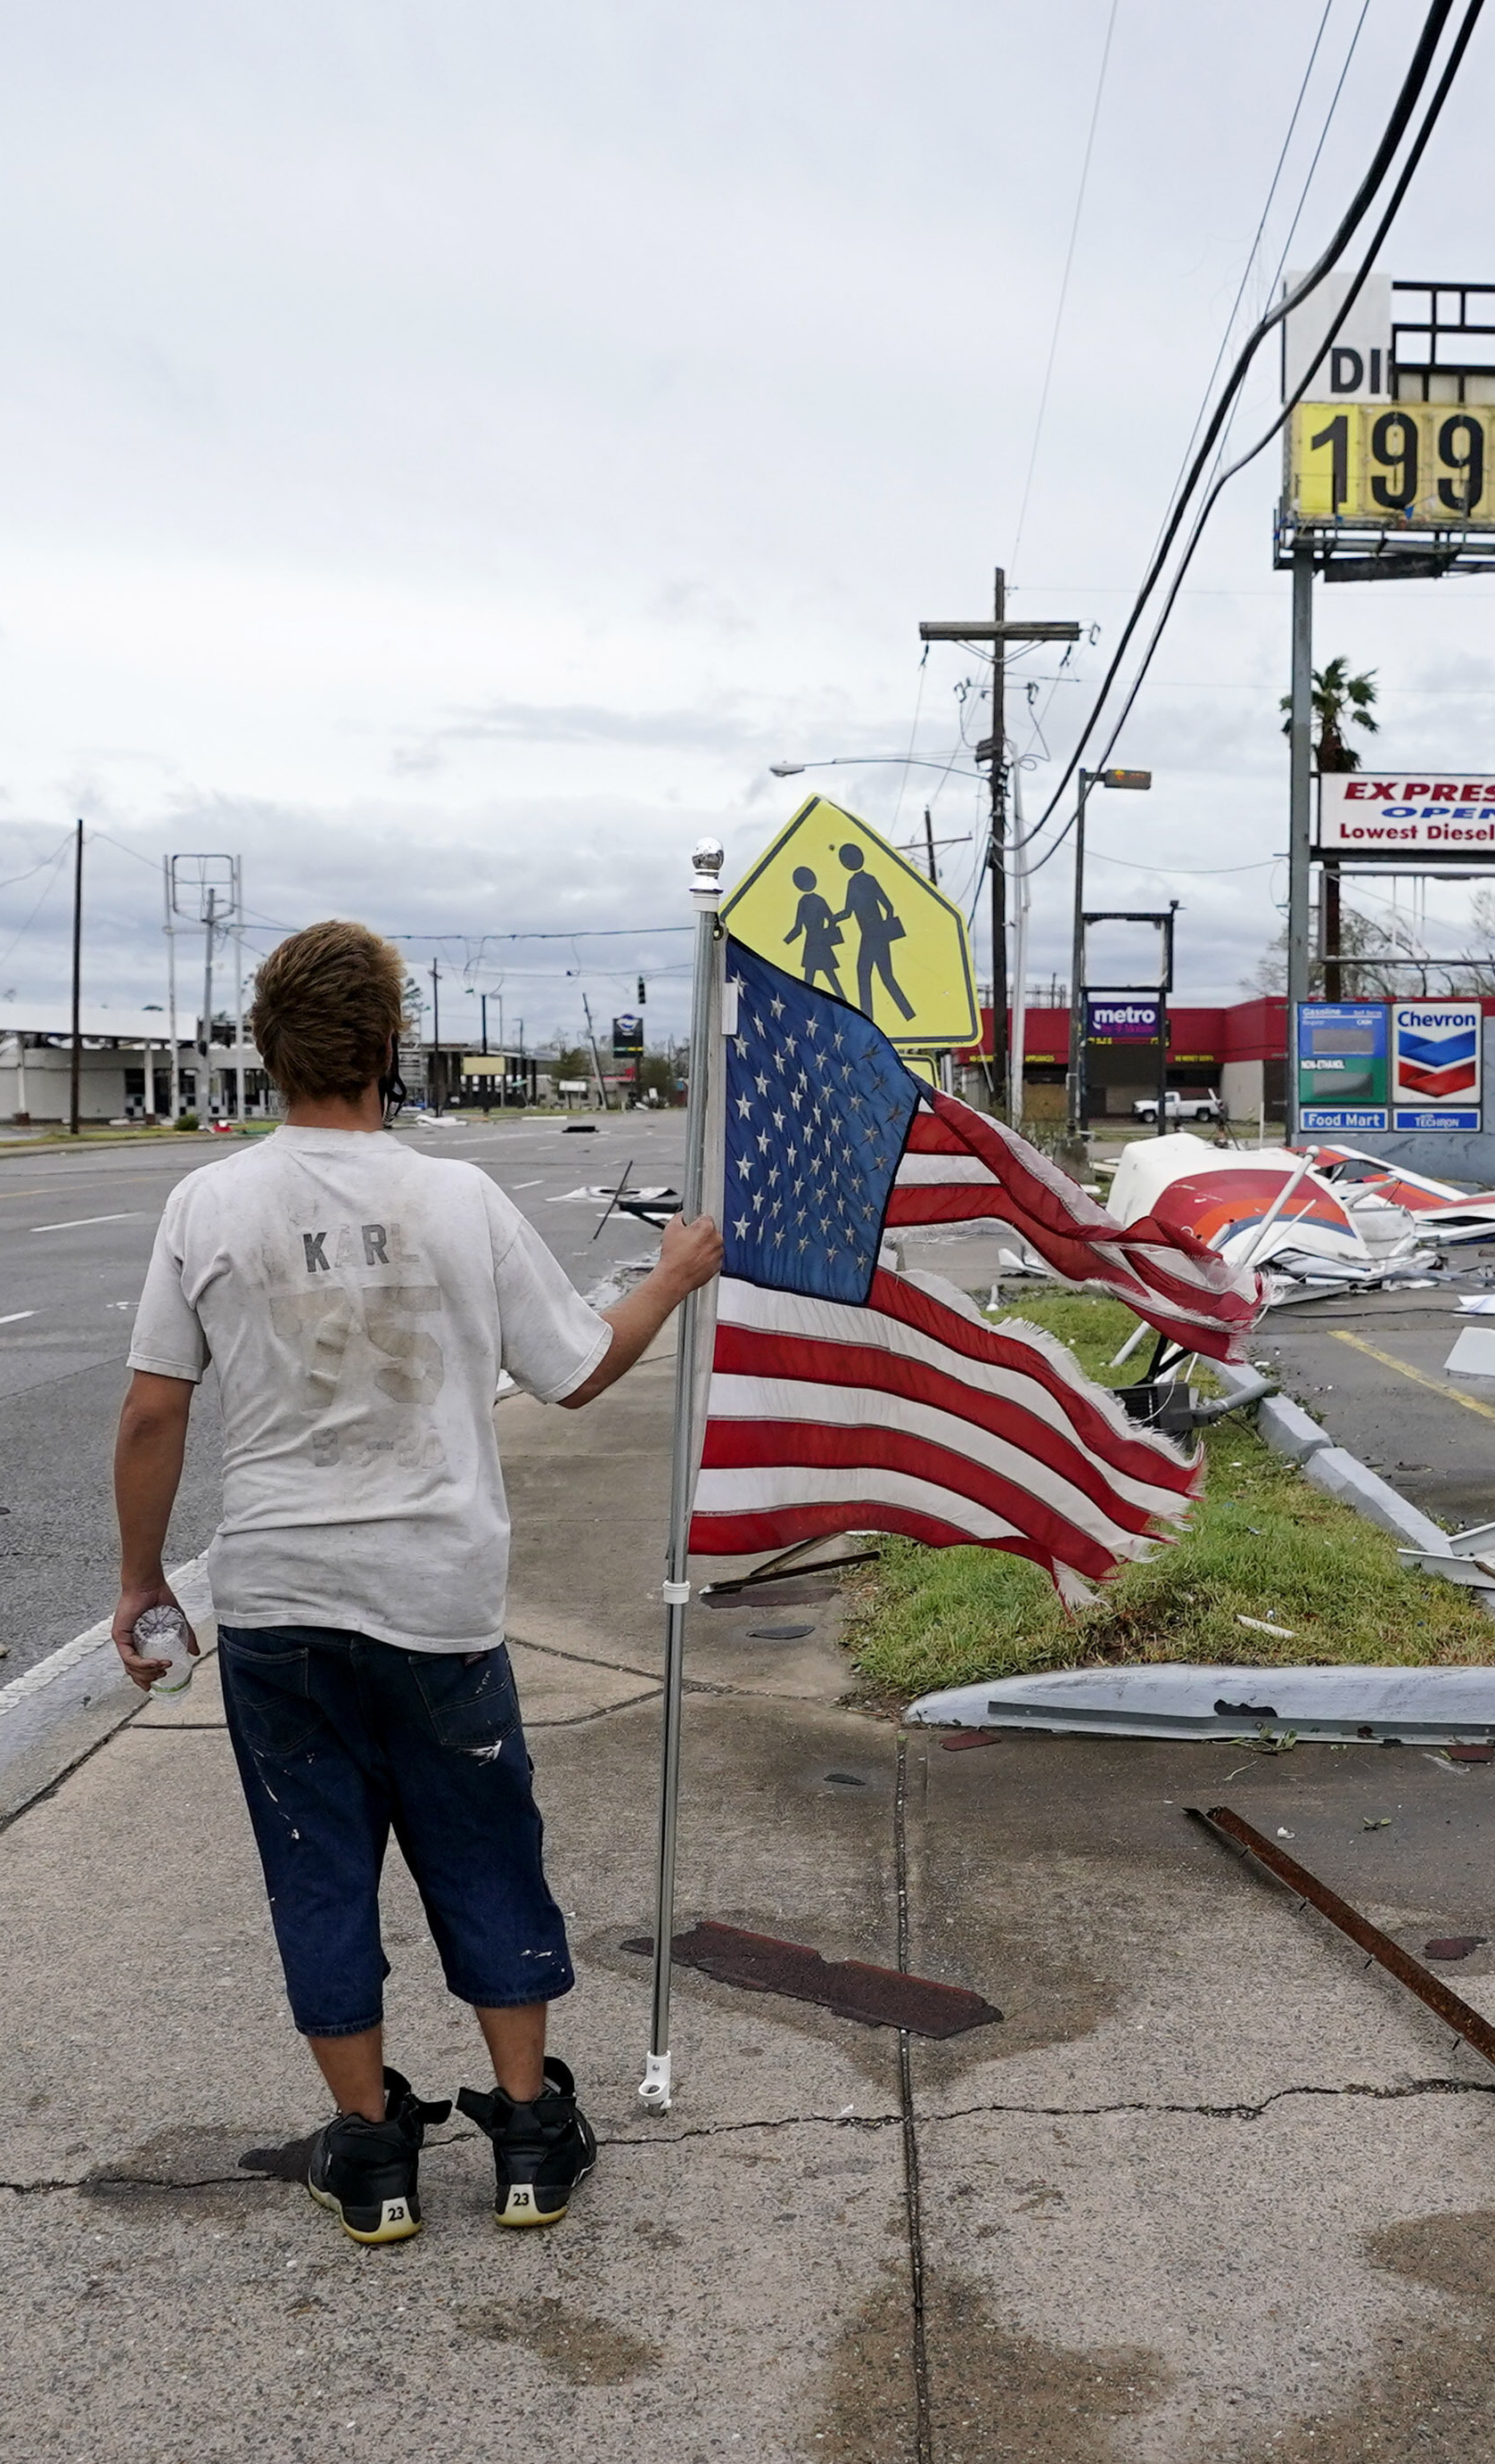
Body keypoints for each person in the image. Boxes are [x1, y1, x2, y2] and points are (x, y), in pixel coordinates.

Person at [111, 919, 722, 2246]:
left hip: (277, 1605)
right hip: (438, 1604)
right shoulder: (460, 1203)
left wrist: (142, 1578)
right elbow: (574, 1369)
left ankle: (375, 2155)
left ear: (265, 1054)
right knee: (485, 1853)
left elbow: (155, 1414)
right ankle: (528, 2140)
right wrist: (669, 1276)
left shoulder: (207, 1206)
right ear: (390, 1047)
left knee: (317, 1871)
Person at [834, 842, 914, 1023]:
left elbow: (848, 912)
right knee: (885, 975)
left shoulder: (855, 882)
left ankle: (868, 1018)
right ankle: (907, 1013)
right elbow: (888, 906)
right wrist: (885, 929)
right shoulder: (866, 880)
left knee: (864, 972)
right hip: (876, 934)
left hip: (871, 936)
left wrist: (832, 919)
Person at [784, 865, 843, 990]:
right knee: (828, 977)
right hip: (821, 942)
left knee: (810, 981)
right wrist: (828, 932)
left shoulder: (803, 902)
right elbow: (831, 919)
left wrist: (785, 942)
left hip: (812, 943)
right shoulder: (819, 900)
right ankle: (843, 1001)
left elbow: (798, 928)